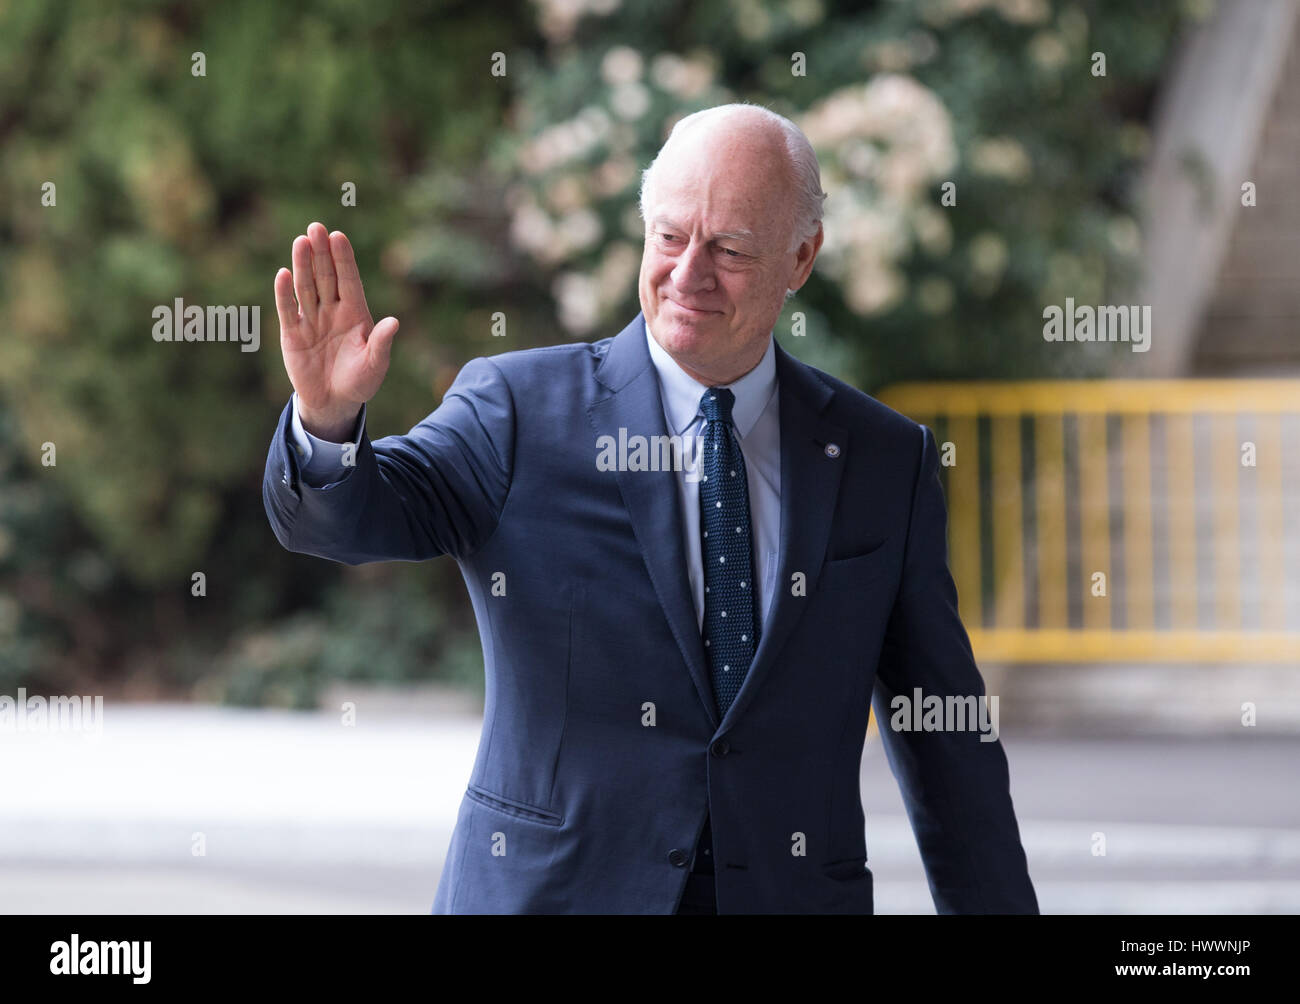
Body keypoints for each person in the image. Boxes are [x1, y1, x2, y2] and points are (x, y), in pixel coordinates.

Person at [263, 103, 1039, 915]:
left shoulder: (885, 460)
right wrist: (326, 423)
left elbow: (948, 742)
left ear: (801, 256)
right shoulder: (518, 410)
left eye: (731, 249)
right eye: (669, 237)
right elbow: (349, 521)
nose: (689, 273)